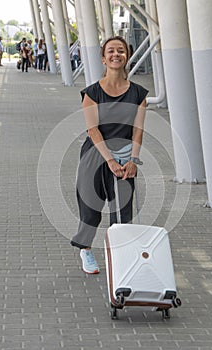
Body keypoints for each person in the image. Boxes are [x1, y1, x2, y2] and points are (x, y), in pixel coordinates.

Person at [70, 36, 148, 274]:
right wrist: (110, 160)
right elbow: (93, 130)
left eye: (121, 51)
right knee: (90, 206)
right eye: (111, 51)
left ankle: (120, 257)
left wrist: (133, 160)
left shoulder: (139, 94)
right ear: (104, 58)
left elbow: (138, 130)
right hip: (96, 154)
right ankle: (85, 250)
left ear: (127, 56)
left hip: (126, 154)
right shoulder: (92, 93)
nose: (116, 54)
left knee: (123, 209)